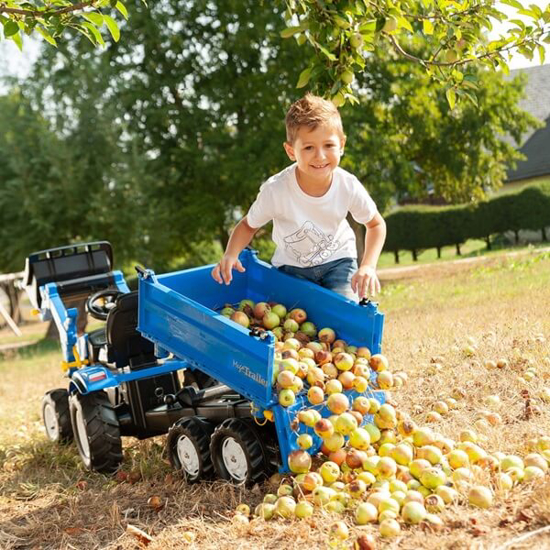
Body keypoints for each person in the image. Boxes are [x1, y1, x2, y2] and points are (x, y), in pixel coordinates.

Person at [211, 93, 386, 300]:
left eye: (328, 145)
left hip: (339, 261)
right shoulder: (276, 190)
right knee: (296, 320)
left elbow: (376, 225)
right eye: (308, 147)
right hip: (291, 269)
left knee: (345, 313)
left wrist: (368, 265)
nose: (320, 156)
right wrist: (231, 253)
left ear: (342, 145)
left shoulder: (347, 185)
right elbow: (248, 225)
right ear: (291, 151)